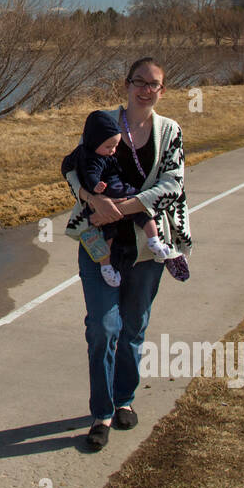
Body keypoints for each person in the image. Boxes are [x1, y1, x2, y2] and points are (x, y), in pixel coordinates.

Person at [64, 57, 193, 450]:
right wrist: (92, 198)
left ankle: (125, 401)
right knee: (103, 328)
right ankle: (101, 413)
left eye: (153, 83)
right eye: (139, 81)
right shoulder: (103, 122)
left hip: (143, 246)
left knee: (134, 326)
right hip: (98, 239)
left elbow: (173, 182)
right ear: (126, 84)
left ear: (162, 90)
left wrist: (127, 205)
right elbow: (72, 166)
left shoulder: (170, 131)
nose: (145, 89)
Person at [61, 108, 174, 288]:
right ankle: (106, 266)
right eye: (109, 147)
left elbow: (173, 186)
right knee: (108, 234)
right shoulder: (89, 150)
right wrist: (93, 196)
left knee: (143, 215)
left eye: (115, 147)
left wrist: (114, 209)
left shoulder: (169, 130)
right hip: (108, 199)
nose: (113, 151)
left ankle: (156, 243)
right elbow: (75, 172)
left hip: (123, 202)